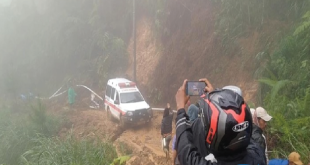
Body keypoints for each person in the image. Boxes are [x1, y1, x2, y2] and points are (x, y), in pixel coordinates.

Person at [174, 78, 266, 165]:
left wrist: (180, 108)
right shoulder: (258, 154)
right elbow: (247, 128)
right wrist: (215, 99)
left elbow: (186, 152)